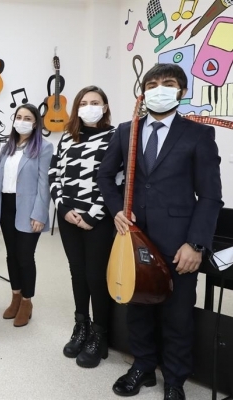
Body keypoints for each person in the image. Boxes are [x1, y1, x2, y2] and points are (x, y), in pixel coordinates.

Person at [97, 64, 222, 400]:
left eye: (167, 83)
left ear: (182, 91)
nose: (158, 89)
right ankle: (142, 365)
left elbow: (211, 196)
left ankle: (176, 378)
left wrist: (196, 244)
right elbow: (105, 176)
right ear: (143, 92)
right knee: (137, 308)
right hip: (134, 238)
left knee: (177, 315)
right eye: (151, 84)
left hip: (179, 241)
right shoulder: (126, 131)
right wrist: (117, 209)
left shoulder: (198, 134)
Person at [48, 85, 115, 369]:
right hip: (69, 217)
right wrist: (63, 209)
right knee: (77, 272)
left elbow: (118, 180)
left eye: (95, 102)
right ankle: (81, 324)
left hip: (98, 219)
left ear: (105, 107)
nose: (89, 107)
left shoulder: (115, 137)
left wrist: (93, 216)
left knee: (95, 275)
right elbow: (54, 174)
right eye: (84, 103)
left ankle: (100, 333)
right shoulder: (67, 137)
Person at [0, 104, 53, 327]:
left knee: (25, 256)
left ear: (35, 123)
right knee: (11, 255)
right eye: (19, 117)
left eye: (28, 118)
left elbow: (44, 184)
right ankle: (15, 295)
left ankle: (27, 301)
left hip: (29, 208)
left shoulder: (44, 147)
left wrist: (40, 214)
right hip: (7, 205)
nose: (22, 121)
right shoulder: (7, 147)